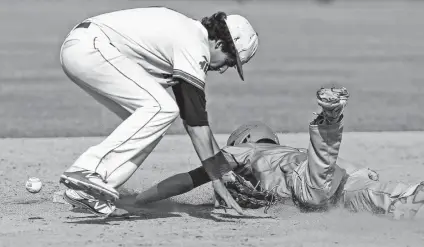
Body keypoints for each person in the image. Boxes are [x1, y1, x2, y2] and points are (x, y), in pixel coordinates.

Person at [58, 6, 259, 217]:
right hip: (90, 48)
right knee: (161, 109)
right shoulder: (194, 44)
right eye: (229, 61)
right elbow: (195, 123)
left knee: (151, 122)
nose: (223, 69)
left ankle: (89, 191)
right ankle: (88, 171)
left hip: (85, 48)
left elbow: (198, 122)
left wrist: (223, 172)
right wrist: (217, 182)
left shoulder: (187, 39)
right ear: (218, 43)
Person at [125, 87, 424, 220]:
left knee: (314, 189)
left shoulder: (243, 153)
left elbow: (190, 179)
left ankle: (328, 121)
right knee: (396, 203)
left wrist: (139, 199)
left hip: (309, 182)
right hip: (346, 184)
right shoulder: (278, 155)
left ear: (243, 140)